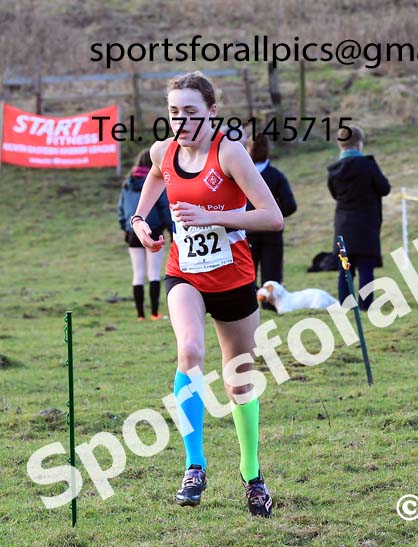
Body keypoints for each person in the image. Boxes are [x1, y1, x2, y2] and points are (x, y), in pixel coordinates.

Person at [130, 71, 284, 517]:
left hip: (233, 276)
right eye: (175, 113)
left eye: (191, 113)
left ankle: (251, 474)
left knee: (238, 378)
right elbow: (143, 208)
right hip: (186, 273)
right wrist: (143, 228)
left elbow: (272, 218)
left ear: (212, 113)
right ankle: (194, 465)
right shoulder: (164, 151)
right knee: (190, 351)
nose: (182, 122)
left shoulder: (230, 152)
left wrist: (216, 217)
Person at [327, 125, 390, 311]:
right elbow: (384, 188)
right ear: (359, 144)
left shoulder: (334, 170)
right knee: (365, 268)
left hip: (343, 224)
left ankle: (346, 305)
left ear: (340, 144)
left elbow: (334, 194)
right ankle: (366, 305)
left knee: (344, 269)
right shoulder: (368, 165)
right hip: (366, 224)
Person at [244, 133, 297, 309]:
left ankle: (248, 306)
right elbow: (290, 205)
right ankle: (269, 306)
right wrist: (271, 215)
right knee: (271, 274)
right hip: (271, 232)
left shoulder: (240, 175)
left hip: (247, 230)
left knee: (246, 273)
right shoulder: (276, 176)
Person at [118, 149, 172, 320]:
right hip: (153, 230)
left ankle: (140, 314)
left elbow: (121, 209)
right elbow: (164, 207)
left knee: (138, 274)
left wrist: (125, 228)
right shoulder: (157, 183)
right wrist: (171, 229)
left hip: (133, 232)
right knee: (154, 273)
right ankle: (155, 313)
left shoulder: (127, 184)